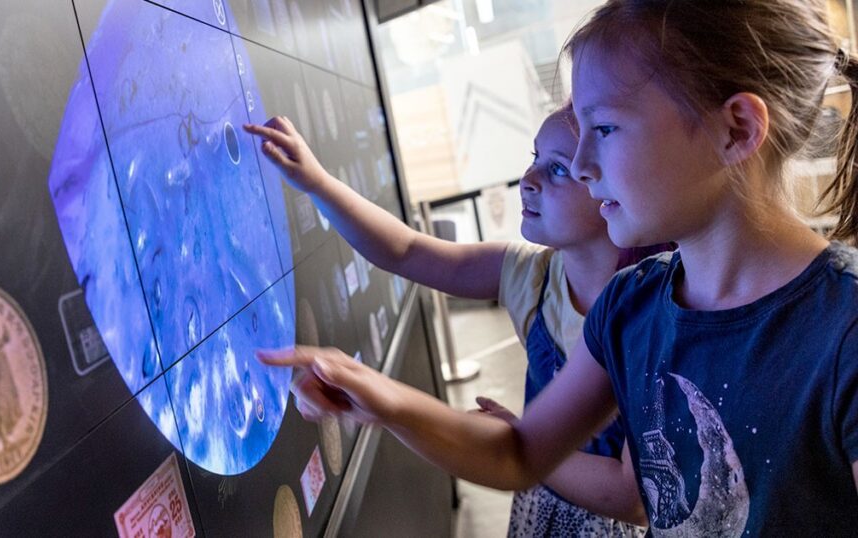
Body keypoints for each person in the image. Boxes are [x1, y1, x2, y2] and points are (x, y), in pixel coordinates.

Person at [255, 0, 858, 534]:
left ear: (737, 129)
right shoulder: (632, 304)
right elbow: (520, 452)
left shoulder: (843, 331)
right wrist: (380, 398)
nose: (586, 163)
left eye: (604, 127)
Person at [247, 103, 653, 534]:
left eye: (557, 170)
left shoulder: (649, 311)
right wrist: (317, 183)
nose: (528, 182)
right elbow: (405, 250)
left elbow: (630, 496)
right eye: (534, 160)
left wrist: (522, 444)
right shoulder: (530, 276)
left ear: (611, 187)